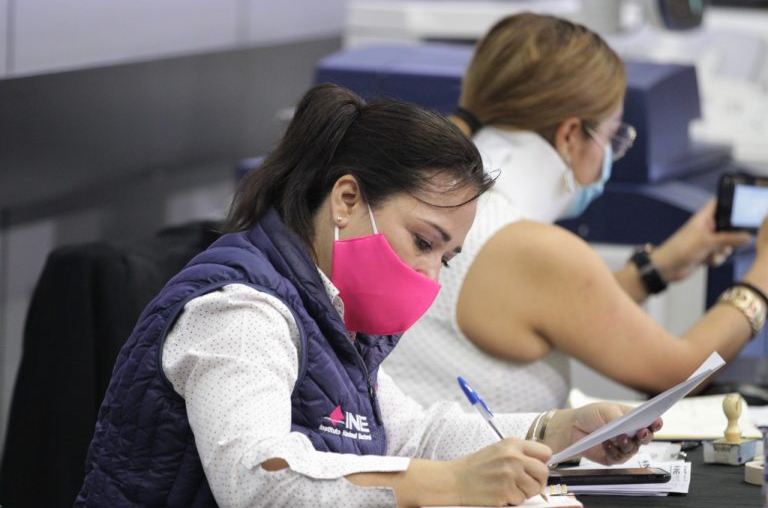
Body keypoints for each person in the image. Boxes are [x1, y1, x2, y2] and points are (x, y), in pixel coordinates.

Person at [75, 84, 659, 507]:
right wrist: (452, 485)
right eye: (424, 241)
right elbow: (261, 481)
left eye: (446, 257)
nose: (431, 276)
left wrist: (560, 431)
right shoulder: (238, 311)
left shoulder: (336, 315)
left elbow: (408, 436)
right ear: (347, 199)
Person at [385, 12, 768, 413]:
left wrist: (662, 266)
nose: (611, 155)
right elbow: (677, 374)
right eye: (611, 136)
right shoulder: (525, 246)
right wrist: (760, 278)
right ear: (569, 135)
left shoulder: (439, 203)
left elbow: (561, 308)